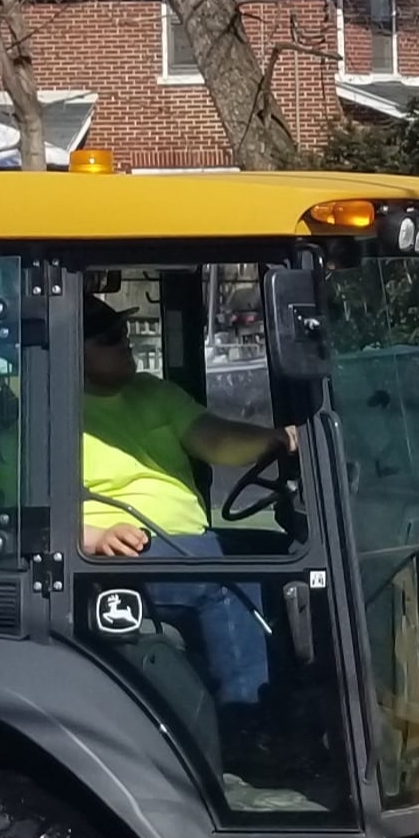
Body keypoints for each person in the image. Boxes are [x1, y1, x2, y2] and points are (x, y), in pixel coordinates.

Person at [81, 294, 297, 719]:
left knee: (286, 556)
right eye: (108, 338)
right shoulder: (46, 416)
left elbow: (215, 440)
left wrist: (277, 439)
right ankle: (248, 720)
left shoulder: (151, 393)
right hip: (105, 561)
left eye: (122, 331)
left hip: (183, 544)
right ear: (71, 352)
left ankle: (297, 697)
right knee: (223, 579)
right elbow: (27, 510)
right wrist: (91, 538)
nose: (124, 341)